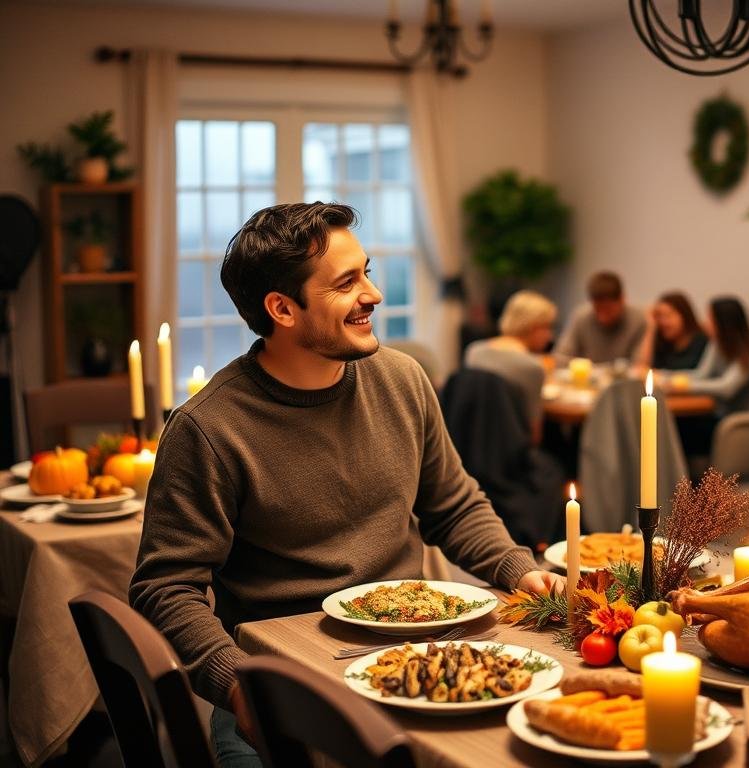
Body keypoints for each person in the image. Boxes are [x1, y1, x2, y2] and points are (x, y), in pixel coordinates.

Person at [129, 203, 563, 767]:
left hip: (417, 659)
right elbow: (166, 589)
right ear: (282, 308)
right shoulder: (207, 429)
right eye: (346, 283)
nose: (373, 295)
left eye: (367, 271)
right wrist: (236, 684)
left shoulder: (403, 380)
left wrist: (521, 570)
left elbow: (452, 507)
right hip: (283, 685)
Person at [677, 296, 749, 457]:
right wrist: (665, 378)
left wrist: (683, 386)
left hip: (740, 422)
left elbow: (726, 388)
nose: (706, 323)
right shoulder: (718, 343)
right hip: (720, 414)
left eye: (710, 318)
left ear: (724, 323)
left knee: (681, 428)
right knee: (679, 425)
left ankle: (683, 478)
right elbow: (701, 375)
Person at [464, 289, 557, 445]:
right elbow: (535, 437)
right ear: (532, 327)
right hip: (511, 456)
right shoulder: (532, 367)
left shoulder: (473, 351)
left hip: (470, 448)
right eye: (547, 327)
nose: (550, 336)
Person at [554, 271, 646, 364]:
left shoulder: (638, 319)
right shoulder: (581, 316)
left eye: (608, 310)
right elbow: (560, 356)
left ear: (622, 300)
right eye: (597, 310)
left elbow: (640, 364)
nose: (602, 317)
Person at [633, 291, 711, 372]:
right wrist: (651, 327)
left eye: (668, 315)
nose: (663, 322)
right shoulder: (661, 341)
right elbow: (642, 368)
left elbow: (702, 375)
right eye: (659, 316)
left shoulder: (702, 341)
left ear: (684, 315)